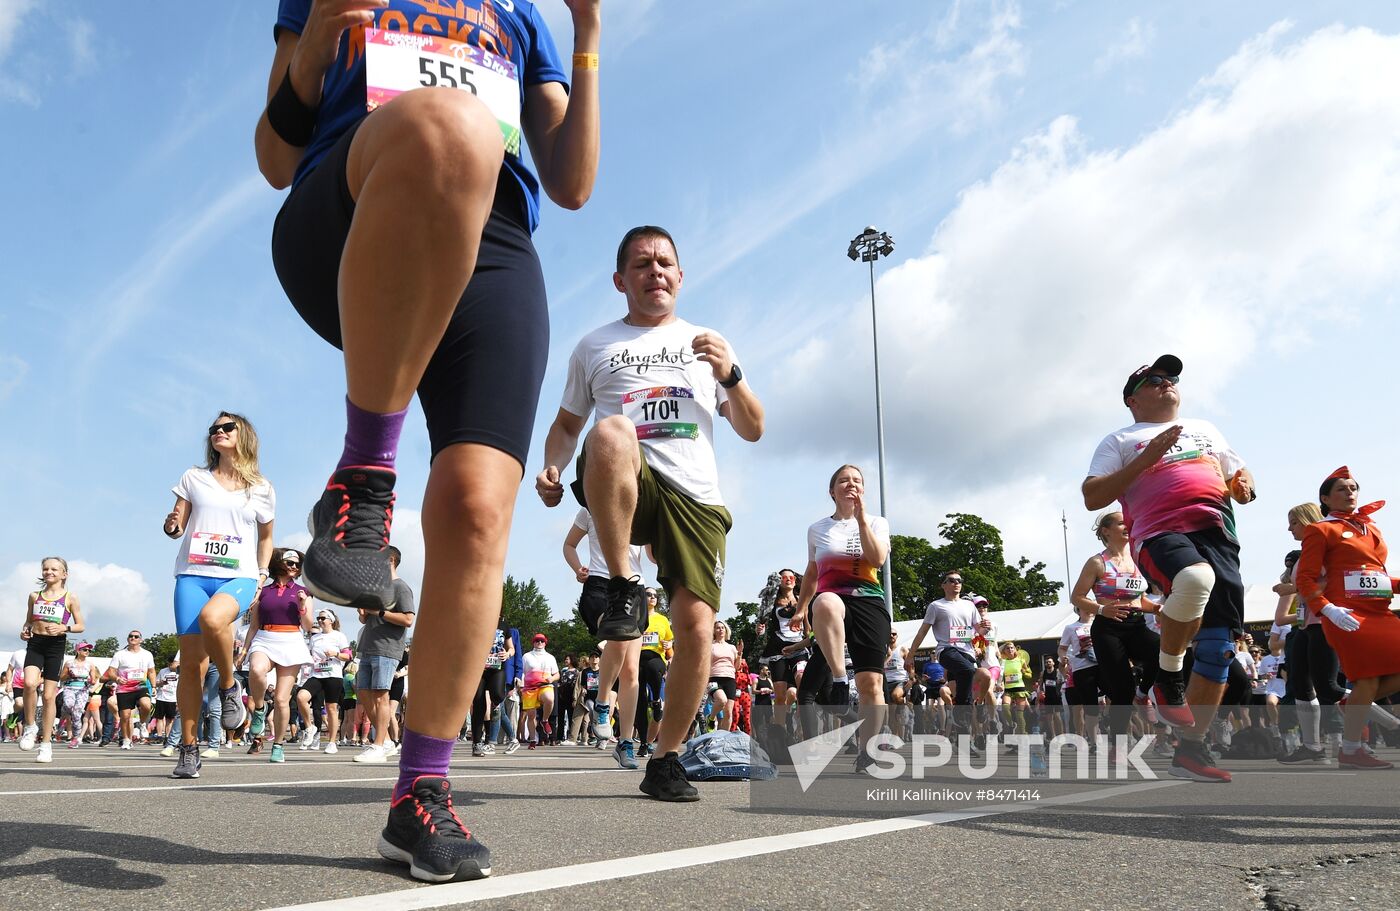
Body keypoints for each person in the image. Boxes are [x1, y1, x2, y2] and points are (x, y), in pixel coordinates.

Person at [259, 0, 601, 882]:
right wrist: (317, 50)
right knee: (452, 127)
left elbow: (570, 186)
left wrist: (591, 33)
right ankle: (363, 479)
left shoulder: (520, 17)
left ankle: (422, 795)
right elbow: (273, 154)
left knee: (478, 509)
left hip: (496, 245)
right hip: (355, 193)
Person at [535, 224, 764, 801]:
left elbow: (754, 428)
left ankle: (664, 759)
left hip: (694, 496)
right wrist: (554, 468)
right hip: (625, 485)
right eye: (641, 264)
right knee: (609, 430)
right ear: (620, 279)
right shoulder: (595, 346)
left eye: (664, 263)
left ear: (680, 276)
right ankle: (622, 584)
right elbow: (567, 427)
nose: (654, 271)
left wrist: (731, 377)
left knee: (695, 628)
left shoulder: (708, 343)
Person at [1083, 354, 1255, 783]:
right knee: (1195, 577)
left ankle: (1191, 751)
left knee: (1218, 650)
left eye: (1173, 378)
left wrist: (1243, 483)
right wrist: (1146, 459)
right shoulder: (1120, 439)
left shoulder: (1205, 428)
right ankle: (1168, 677)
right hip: (1161, 534)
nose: (1168, 383)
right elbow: (1091, 496)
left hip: (1219, 536)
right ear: (1132, 399)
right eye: (1156, 379)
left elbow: (1238, 470)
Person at [164, 412, 275, 778]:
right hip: (192, 575)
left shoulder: (260, 487)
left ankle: (229, 685)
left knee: (215, 618)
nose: (219, 432)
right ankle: (189, 748)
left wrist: (261, 574)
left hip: (239, 576)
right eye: (214, 429)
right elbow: (178, 521)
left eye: (227, 427)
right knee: (192, 667)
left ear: (243, 435)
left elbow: (266, 537)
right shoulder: (193, 477)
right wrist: (172, 523)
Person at [1294, 467, 1400, 769]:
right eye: (1341, 489)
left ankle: (1350, 704)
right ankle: (1351, 750)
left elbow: (1375, 576)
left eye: (1353, 487)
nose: (1350, 492)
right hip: (1346, 614)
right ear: (1325, 498)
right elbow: (1306, 579)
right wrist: (1327, 609)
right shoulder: (1321, 529)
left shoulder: (1372, 528)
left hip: (1379, 612)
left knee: (1373, 682)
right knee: (1366, 677)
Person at [790, 464, 891, 769]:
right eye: (844, 481)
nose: (851, 484)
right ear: (832, 491)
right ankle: (838, 678)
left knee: (872, 683)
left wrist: (861, 520)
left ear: (863, 490)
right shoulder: (817, 529)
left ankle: (868, 751)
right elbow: (811, 572)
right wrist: (799, 608)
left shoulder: (876, 522)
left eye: (857, 481)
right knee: (826, 603)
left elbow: (878, 559)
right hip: (834, 602)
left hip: (869, 602)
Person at [1070, 510, 1173, 761]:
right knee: (1121, 688)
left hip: (1136, 624)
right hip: (1108, 627)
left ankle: (1143, 694)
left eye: (1128, 522)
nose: (1127, 526)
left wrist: (1159, 608)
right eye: (1120, 523)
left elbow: (1142, 600)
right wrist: (1102, 609)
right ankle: (1118, 744)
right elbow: (1077, 597)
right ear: (1106, 531)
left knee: (1165, 654)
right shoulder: (1097, 562)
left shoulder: (1138, 558)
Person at [562, 505, 648, 768]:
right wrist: (578, 569)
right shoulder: (589, 507)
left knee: (632, 671)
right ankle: (601, 703)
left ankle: (625, 744)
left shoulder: (644, 508)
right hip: (601, 585)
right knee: (619, 633)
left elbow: (654, 557)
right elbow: (569, 545)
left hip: (636, 588)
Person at [1276, 503, 1346, 763]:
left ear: (1307, 521)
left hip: (1323, 623)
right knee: (1301, 686)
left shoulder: (1322, 547)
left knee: (1328, 686)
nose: (1289, 528)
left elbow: (1330, 580)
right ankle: (1312, 747)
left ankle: (1393, 724)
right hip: (1307, 625)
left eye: (1293, 522)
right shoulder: (1306, 550)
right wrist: (1294, 588)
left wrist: (1292, 589)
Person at [242, 548, 315, 762]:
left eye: (296, 564)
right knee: (256, 670)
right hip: (265, 637)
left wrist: (302, 606)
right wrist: (244, 650)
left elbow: (309, 625)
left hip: (291, 639)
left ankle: (278, 744)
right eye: (289, 562)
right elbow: (254, 625)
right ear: (278, 564)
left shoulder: (304, 591)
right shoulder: (263, 591)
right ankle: (260, 708)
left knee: (282, 700)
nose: (294, 567)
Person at [907, 571, 986, 749]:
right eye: (952, 580)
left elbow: (979, 632)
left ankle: (965, 740)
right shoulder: (936, 606)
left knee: (964, 698)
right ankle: (961, 714)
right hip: (946, 651)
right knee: (968, 672)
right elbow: (922, 631)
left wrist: (984, 628)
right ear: (943, 585)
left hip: (967, 653)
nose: (956, 583)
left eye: (959, 580)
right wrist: (911, 655)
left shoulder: (969, 606)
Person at [18, 556, 86, 763]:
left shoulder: (70, 598)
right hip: (36, 644)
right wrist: (25, 631)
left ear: (64, 574)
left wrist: (64, 628)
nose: (49, 572)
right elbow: (28, 621)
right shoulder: (34, 595)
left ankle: (46, 744)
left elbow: (80, 625)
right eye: (46, 569)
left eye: (54, 569)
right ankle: (30, 727)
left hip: (55, 647)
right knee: (29, 683)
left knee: (48, 696)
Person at [355, 546, 416, 763]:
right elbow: (366, 619)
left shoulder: (400, 587)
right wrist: (363, 612)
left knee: (381, 696)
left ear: (390, 560)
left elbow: (408, 619)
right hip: (368, 646)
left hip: (387, 648)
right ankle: (388, 741)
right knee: (363, 693)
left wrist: (378, 611)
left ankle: (378, 745)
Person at [756, 569, 803, 738]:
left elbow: (809, 626)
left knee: (801, 682)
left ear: (795, 581)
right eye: (784, 577)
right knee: (781, 695)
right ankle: (781, 733)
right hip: (778, 650)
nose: (788, 580)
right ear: (779, 581)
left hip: (799, 648)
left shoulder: (802, 599)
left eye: (791, 577)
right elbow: (761, 625)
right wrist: (759, 630)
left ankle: (803, 728)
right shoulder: (772, 602)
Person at [301, 607, 352, 754]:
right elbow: (310, 655)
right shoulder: (314, 638)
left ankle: (331, 742)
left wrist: (335, 653)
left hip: (333, 675)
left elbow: (348, 656)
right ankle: (310, 727)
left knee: (331, 709)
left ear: (331, 621)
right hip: (316, 674)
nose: (320, 621)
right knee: (301, 697)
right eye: (319, 618)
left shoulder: (339, 636)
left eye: (323, 618)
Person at [106, 631, 156, 750]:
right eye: (130, 636)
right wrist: (117, 678)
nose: (133, 638)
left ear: (141, 640)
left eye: (136, 636)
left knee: (146, 705)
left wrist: (153, 686)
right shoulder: (119, 654)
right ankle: (126, 739)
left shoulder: (147, 654)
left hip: (140, 685)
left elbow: (152, 671)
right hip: (124, 688)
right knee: (125, 716)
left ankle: (143, 723)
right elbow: (111, 671)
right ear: (128, 639)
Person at [471, 620, 515, 756]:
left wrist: (507, 654)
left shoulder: (503, 625)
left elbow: (511, 648)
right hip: (479, 670)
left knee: (497, 696)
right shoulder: (477, 620)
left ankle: (500, 729)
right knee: (479, 704)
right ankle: (477, 743)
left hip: (496, 669)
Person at [520, 634, 559, 748]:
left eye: (542, 641)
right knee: (531, 715)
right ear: (533, 642)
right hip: (529, 687)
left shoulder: (550, 657)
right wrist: (520, 684)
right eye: (537, 640)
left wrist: (551, 678)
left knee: (549, 699)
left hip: (545, 685)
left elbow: (557, 674)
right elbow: (522, 672)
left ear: (545, 643)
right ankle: (532, 740)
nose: (539, 643)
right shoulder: (527, 656)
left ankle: (545, 720)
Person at [60, 641, 99, 750]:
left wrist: (91, 680)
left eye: (89, 650)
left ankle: (75, 738)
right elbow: (61, 678)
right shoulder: (69, 663)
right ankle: (64, 710)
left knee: (77, 714)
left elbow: (94, 679)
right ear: (78, 651)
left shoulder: (90, 664)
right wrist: (68, 674)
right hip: (69, 688)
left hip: (83, 690)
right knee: (68, 705)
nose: (88, 652)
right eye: (85, 650)